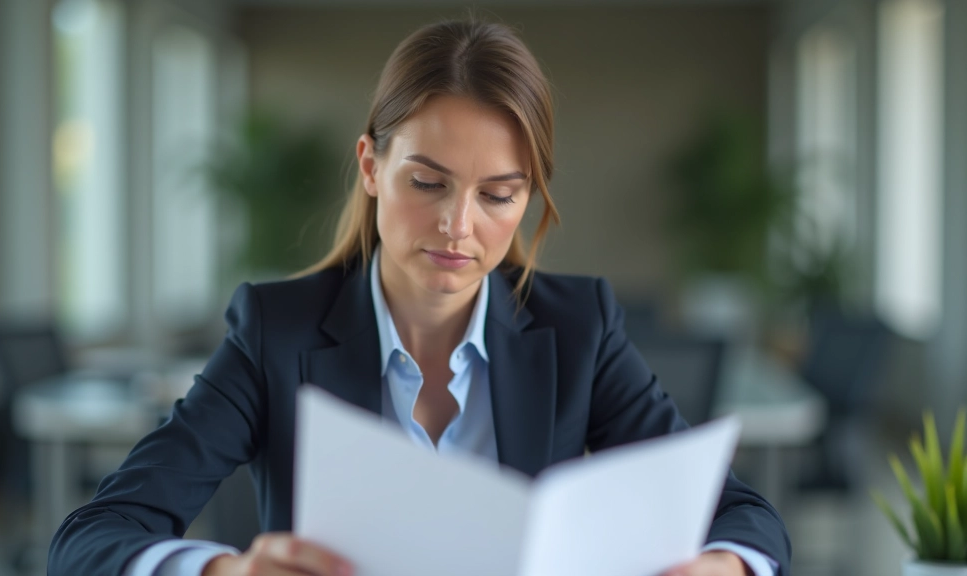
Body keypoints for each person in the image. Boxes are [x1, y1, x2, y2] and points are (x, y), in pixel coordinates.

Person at [49, 18, 790, 576]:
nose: (457, 227)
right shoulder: (275, 332)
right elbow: (93, 537)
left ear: (527, 198)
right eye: (427, 183)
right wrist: (222, 569)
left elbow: (744, 517)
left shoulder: (577, 329)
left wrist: (724, 564)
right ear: (372, 165)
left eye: (498, 195)